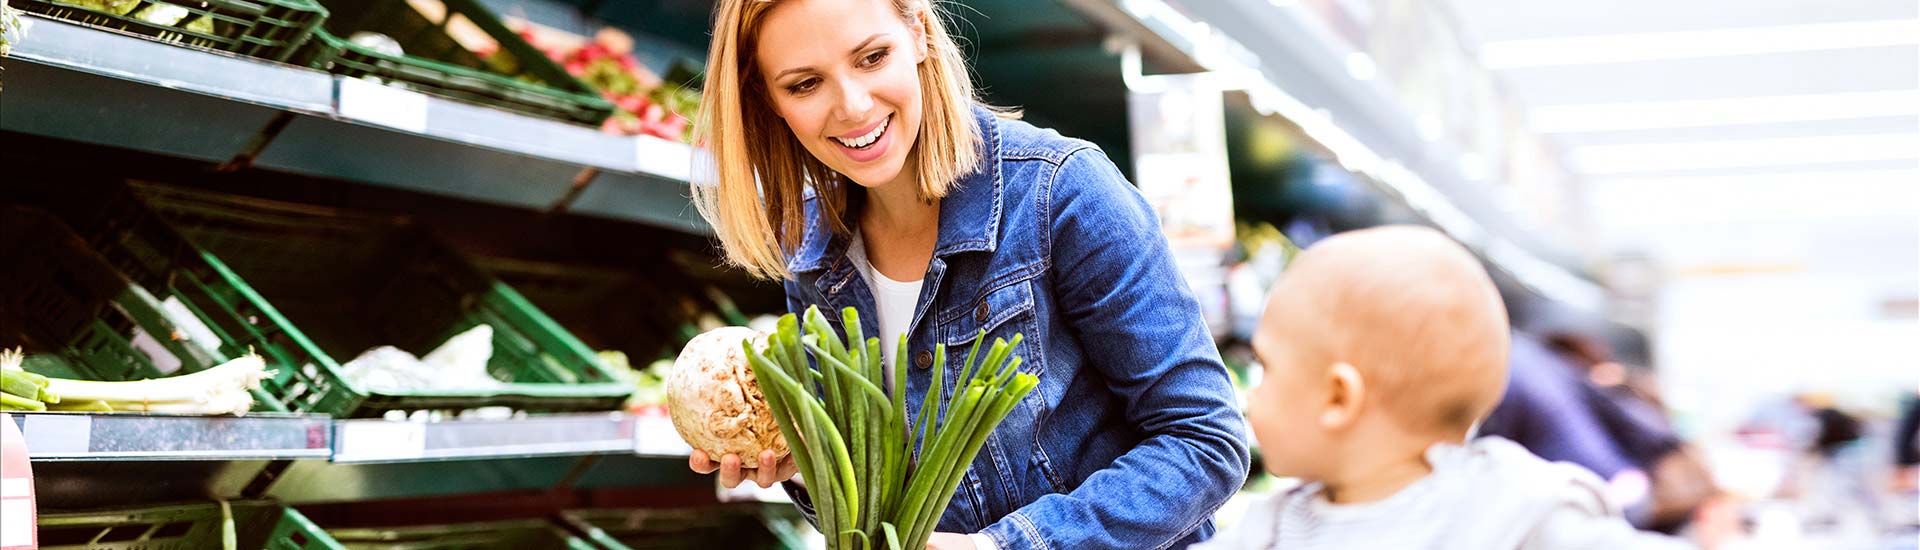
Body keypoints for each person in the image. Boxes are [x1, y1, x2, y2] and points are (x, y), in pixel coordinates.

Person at [683, 0, 1251, 548]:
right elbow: (891, 514)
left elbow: (1205, 441)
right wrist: (807, 466)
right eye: (805, 84)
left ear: (921, 34)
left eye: (872, 57)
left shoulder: (1061, 192)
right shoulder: (813, 254)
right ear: (769, 101)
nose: (853, 106)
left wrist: (1006, 547)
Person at [1197, 226, 1691, 549]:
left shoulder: (1513, 506)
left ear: (1338, 398)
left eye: (1267, 368)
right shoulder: (1271, 528)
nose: (1249, 395)